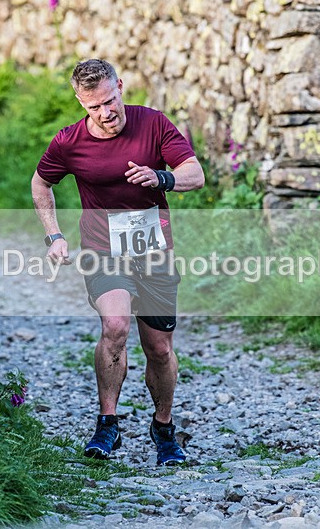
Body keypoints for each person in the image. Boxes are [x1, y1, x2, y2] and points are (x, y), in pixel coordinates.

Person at [32, 59, 204, 466]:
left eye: (110, 101)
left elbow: (195, 174)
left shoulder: (153, 123)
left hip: (154, 251)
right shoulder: (69, 142)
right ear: (80, 102)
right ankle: (107, 423)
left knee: (159, 348)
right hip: (102, 250)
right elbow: (41, 182)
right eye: (94, 107)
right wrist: (54, 234)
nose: (106, 113)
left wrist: (162, 178)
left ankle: (163, 429)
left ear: (120, 87)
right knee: (115, 325)